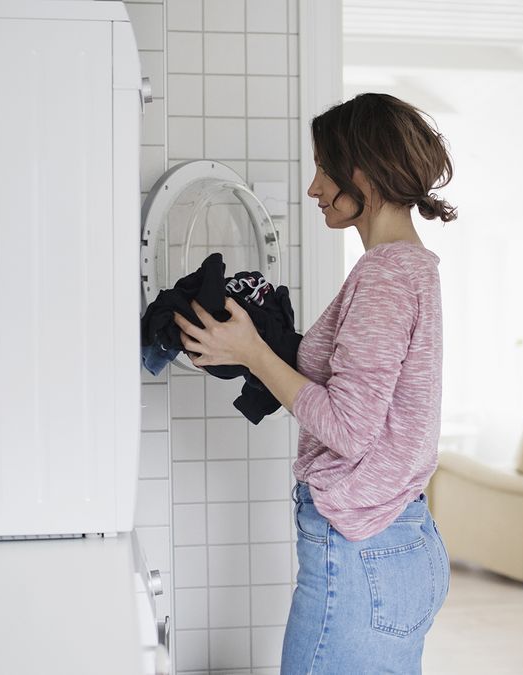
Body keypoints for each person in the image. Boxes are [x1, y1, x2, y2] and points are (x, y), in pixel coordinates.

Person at [173, 92, 456, 674]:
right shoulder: (411, 267)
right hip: (398, 537)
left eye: (323, 169)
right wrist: (263, 344)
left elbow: (350, 430)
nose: (314, 188)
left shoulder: (383, 277)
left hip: (361, 551)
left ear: (361, 174)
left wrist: (252, 351)